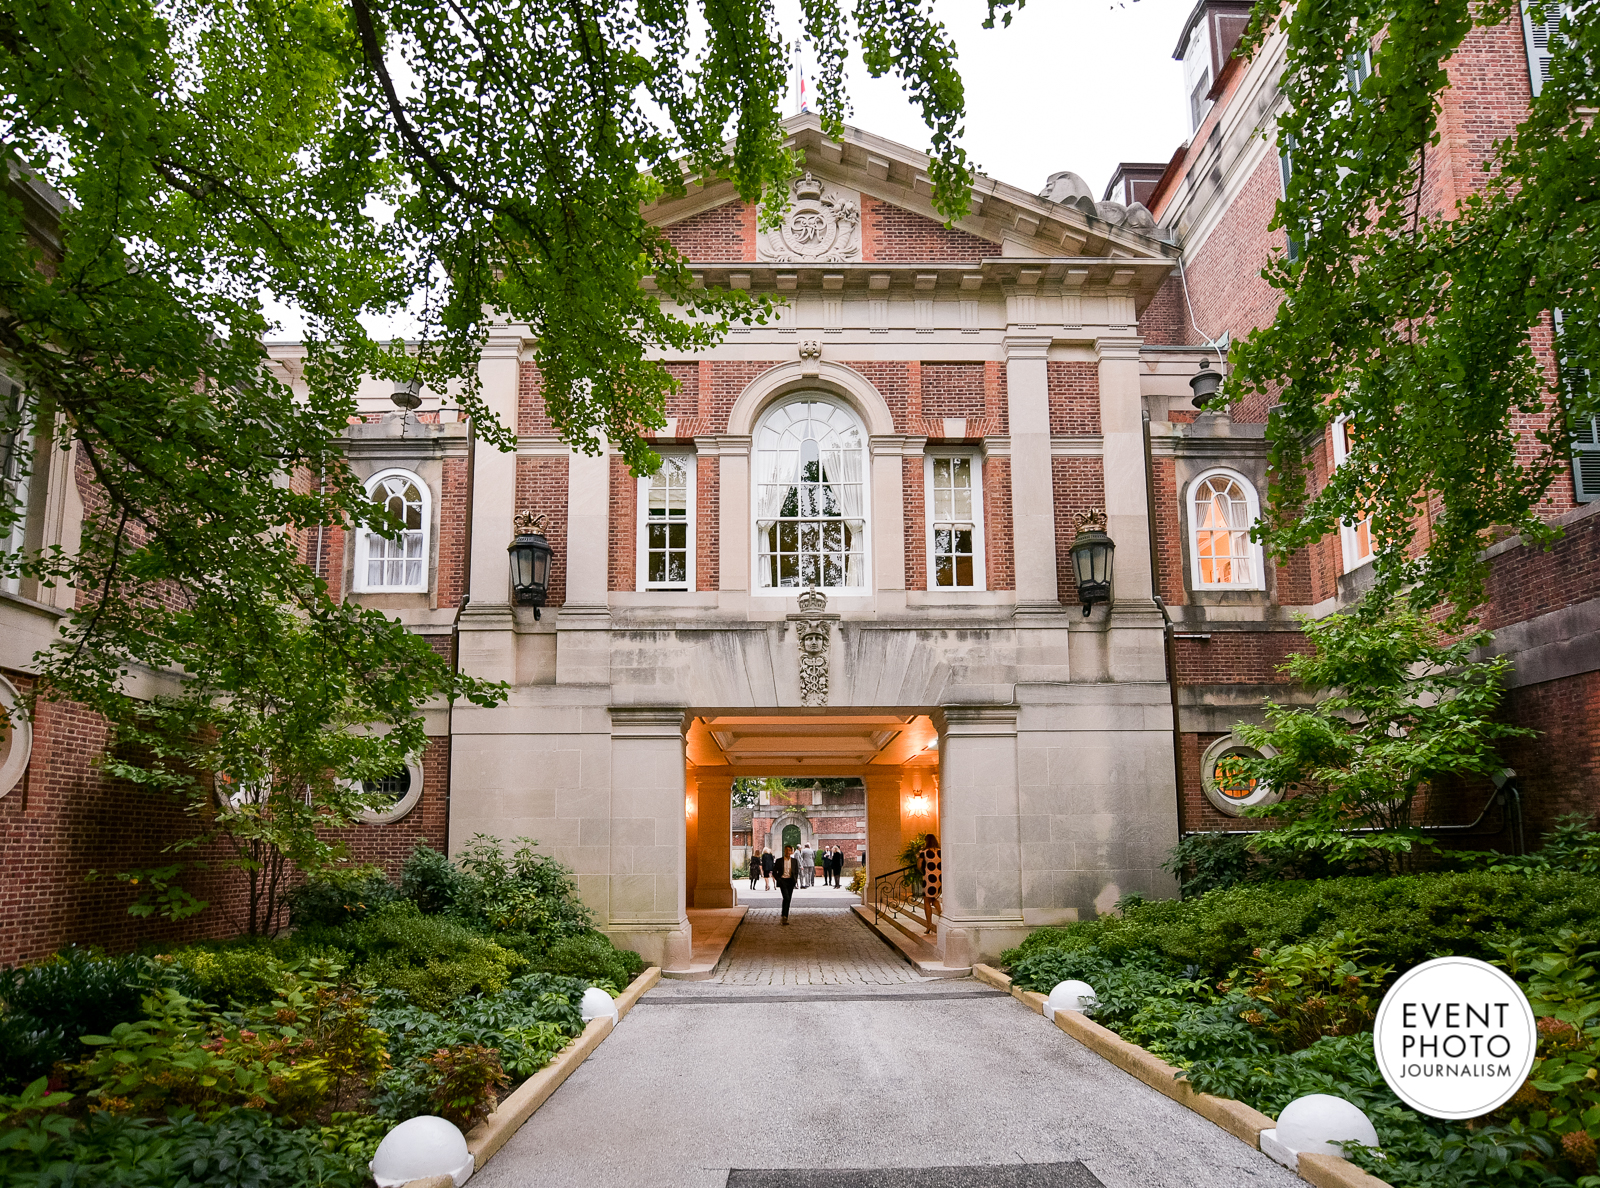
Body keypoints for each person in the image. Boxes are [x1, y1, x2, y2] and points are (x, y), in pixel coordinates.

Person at [918, 833, 942, 931]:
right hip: (939, 877)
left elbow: (919, 865)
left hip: (929, 877)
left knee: (927, 900)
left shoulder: (924, 852)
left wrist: (923, 871)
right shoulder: (941, 851)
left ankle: (929, 924)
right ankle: (941, 915)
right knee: (933, 898)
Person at [773, 844, 801, 923]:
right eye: (786, 850)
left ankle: (785, 915)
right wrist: (779, 879)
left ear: (792, 852)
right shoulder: (779, 861)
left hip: (791, 881)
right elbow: (774, 871)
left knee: (788, 899)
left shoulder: (794, 861)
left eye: (789, 850)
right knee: (786, 897)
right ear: (784, 851)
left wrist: (795, 880)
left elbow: (796, 871)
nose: (788, 852)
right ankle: (784, 915)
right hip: (783, 881)